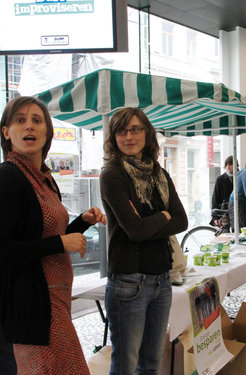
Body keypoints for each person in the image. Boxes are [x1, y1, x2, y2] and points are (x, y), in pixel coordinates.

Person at [0, 96, 106, 374]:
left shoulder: (43, 178)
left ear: (47, 132)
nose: (29, 127)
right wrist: (60, 242)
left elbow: (48, 240)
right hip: (35, 309)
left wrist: (81, 223)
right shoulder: (9, 178)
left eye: (37, 120)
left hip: (56, 302)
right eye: (20, 120)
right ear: (6, 132)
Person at [100, 107, 188, 374]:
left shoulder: (158, 173)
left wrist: (152, 221)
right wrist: (163, 215)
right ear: (113, 137)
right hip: (129, 281)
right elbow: (134, 230)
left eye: (135, 129)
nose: (129, 136)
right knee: (126, 365)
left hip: (162, 278)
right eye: (121, 130)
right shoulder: (112, 175)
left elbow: (182, 221)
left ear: (147, 133)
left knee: (151, 363)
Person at [210, 155, 234, 225]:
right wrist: (215, 217)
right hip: (224, 210)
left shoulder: (239, 177)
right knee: (225, 233)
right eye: (226, 165)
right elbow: (215, 197)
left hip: (238, 210)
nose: (228, 167)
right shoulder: (221, 179)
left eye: (230, 165)